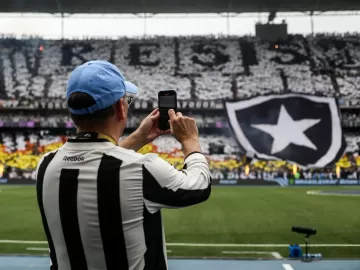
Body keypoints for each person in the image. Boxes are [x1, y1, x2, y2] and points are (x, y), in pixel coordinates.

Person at [35, 60, 211, 270]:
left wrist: (138, 138)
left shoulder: (46, 165)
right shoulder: (140, 168)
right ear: (121, 107)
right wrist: (189, 140)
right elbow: (199, 186)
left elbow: (97, 158)